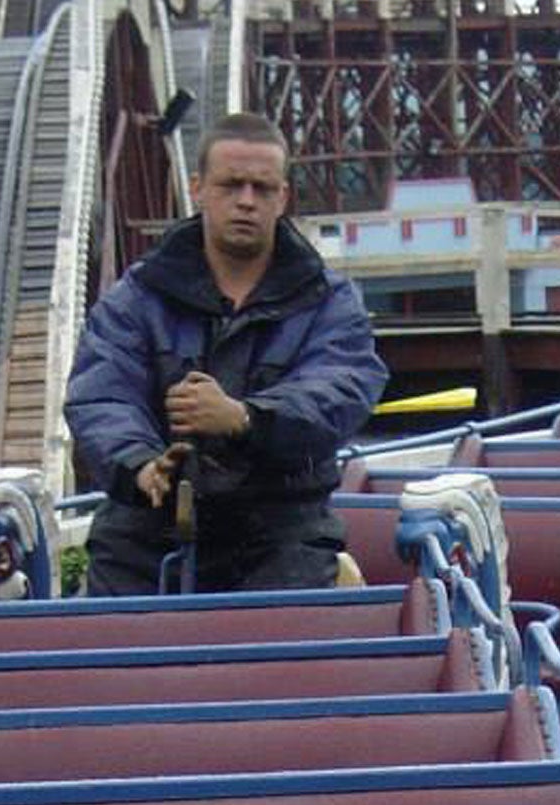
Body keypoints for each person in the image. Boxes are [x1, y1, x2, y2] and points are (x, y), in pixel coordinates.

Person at [65, 114, 388, 595]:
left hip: (282, 532)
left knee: (287, 653)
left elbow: (341, 389)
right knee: (112, 650)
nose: (245, 201)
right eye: (231, 185)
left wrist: (244, 419)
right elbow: (101, 394)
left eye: (262, 188)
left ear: (283, 196)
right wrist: (140, 464)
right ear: (198, 188)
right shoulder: (136, 297)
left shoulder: (329, 301)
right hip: (144, 529)